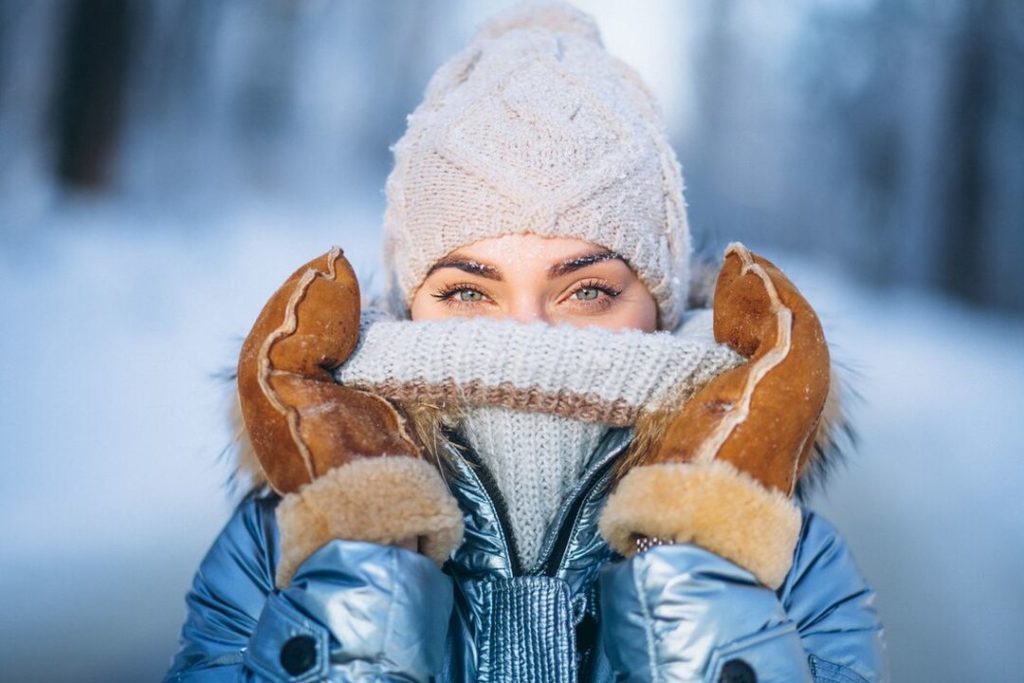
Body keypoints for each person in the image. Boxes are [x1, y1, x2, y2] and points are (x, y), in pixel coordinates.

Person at [164, 3, 888, 681]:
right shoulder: (283, 545)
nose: (526, 337)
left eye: (588, 290)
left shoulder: (785, 560)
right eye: (469, 291)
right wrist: (359, 564)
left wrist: (698, 567)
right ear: (409, 301)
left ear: (661, 306)